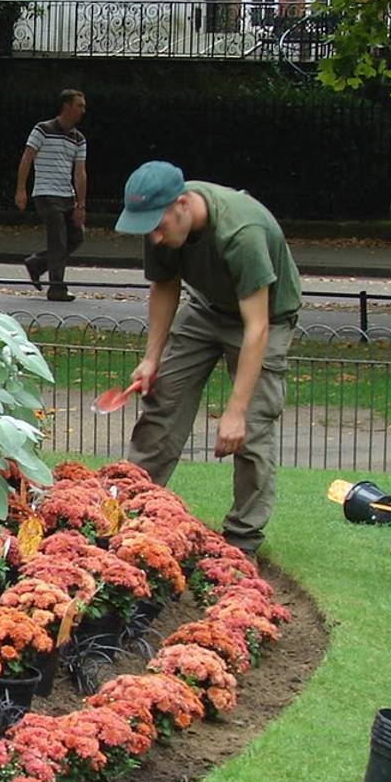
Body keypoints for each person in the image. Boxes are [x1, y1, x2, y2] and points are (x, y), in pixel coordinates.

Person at [113, 160, 301, 557]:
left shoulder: (241, 231)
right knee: (162, 401)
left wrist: (236, 410)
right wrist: (151, 359)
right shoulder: (160, 224)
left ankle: (242, 541)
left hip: (263, 318)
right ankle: (133, 511)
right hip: (205, 309)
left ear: (183, 203)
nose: (156, 238)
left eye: (159, 226)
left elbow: (257, 328)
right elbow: (165, 286)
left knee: (250, 429)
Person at [14, 89, 87, 302]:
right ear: (66, 106)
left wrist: (80, 205)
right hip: (45, 193)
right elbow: (27, 158)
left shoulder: (78, 138)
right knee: (58, 239)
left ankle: (37, 263)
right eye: (79, 105)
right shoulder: (43, 130)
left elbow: (80, 172)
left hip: (67, 195)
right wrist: (21, 189)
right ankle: (57, 288)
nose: (83, 110)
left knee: (77, 236)